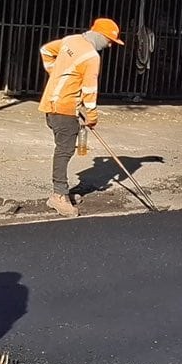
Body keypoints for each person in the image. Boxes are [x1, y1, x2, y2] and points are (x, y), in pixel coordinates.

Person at [39, 18, 120, 216]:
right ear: (100, 36)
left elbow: (46, 51)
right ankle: (58, 196)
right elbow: (90, 89)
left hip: (51, 103)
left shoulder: (70, 40)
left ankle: (62, 192)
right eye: (109, 41)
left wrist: (56, 74)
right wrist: (91, 115)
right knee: (64, 150)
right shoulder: (92, 57)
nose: (109, 46)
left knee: (63, 148)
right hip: (65, 107)